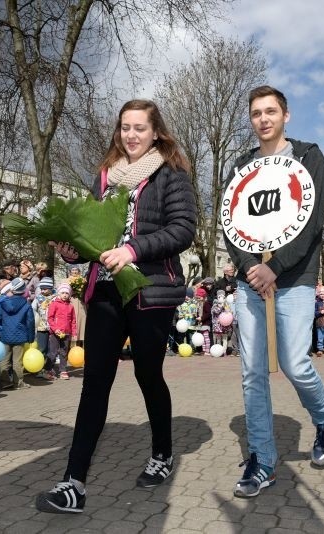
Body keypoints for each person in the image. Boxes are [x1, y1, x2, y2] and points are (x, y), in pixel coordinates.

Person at [35, 99, 196, 514]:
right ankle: (74, 483)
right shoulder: (103, 177)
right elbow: (90, 236)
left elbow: (183, 230)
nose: (131, 135)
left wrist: (132, 249)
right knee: (95, 382)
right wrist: (71, 250)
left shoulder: (171, 174)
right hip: (104, 292)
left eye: (140, 128)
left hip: (150, 290)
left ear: (156, 131)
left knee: (147, 373)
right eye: (125, 127)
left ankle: (162, 453)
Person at [223, 86, 324, 499]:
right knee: (252, 373)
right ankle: (263, 460)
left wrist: (274, 267)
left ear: (285, 115)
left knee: (294, 362)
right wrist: (250, 268)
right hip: (250, 280)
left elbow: (312, 222)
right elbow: (231, 223)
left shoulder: (308, 157)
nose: (263, 119)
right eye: (256, 113)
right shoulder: (241, 165)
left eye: (271, 111)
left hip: (294, 278)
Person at [0, 277, 35, 390]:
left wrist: (2, 329)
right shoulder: (26, 305)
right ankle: (18, 383)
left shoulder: (3, 302)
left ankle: (5, 382)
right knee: (17, 361)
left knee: (4, 359)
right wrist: (31, 338)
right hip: (20, 335)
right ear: (23, 290)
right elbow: (30, 322)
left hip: (5, 334)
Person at [47, 282, 77, 379]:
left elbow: (73, 320)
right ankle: (49, 369)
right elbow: (50, 318)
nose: (64, 295)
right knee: (53, 352)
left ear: (69, 295)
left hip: (66, 333)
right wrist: (55, 329)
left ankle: (63, 370)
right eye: (62, 293)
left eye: (67, 293)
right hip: (55, 333)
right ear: (59, 294)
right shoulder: (54, 304)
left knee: (64, 352)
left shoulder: (71, 306)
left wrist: (74, 333)